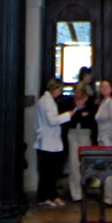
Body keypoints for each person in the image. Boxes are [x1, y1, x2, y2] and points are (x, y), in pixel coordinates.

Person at [35, 78, 80, 208]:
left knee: (48, 171)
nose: (60, 92)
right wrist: (68, 115)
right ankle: (46, 196)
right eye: (59, 89)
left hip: (48, 140)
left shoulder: (45, 100)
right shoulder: (47, 102)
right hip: (48, 141)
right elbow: (52, 121)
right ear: (54, 88)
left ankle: (50, 195)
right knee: (48, 172)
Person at [65, 67, 98, 203]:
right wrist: (80, 115)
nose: (77, 95)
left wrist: (79, 116)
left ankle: (86, 187)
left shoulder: (90, 101)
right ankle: (76, 193)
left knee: (85, 162)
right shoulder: (70, 102)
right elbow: (70, 118)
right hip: (73, 134)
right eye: (75, 93)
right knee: (73, 163)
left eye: (79, 93)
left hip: (85, 134)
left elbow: (91, 118)